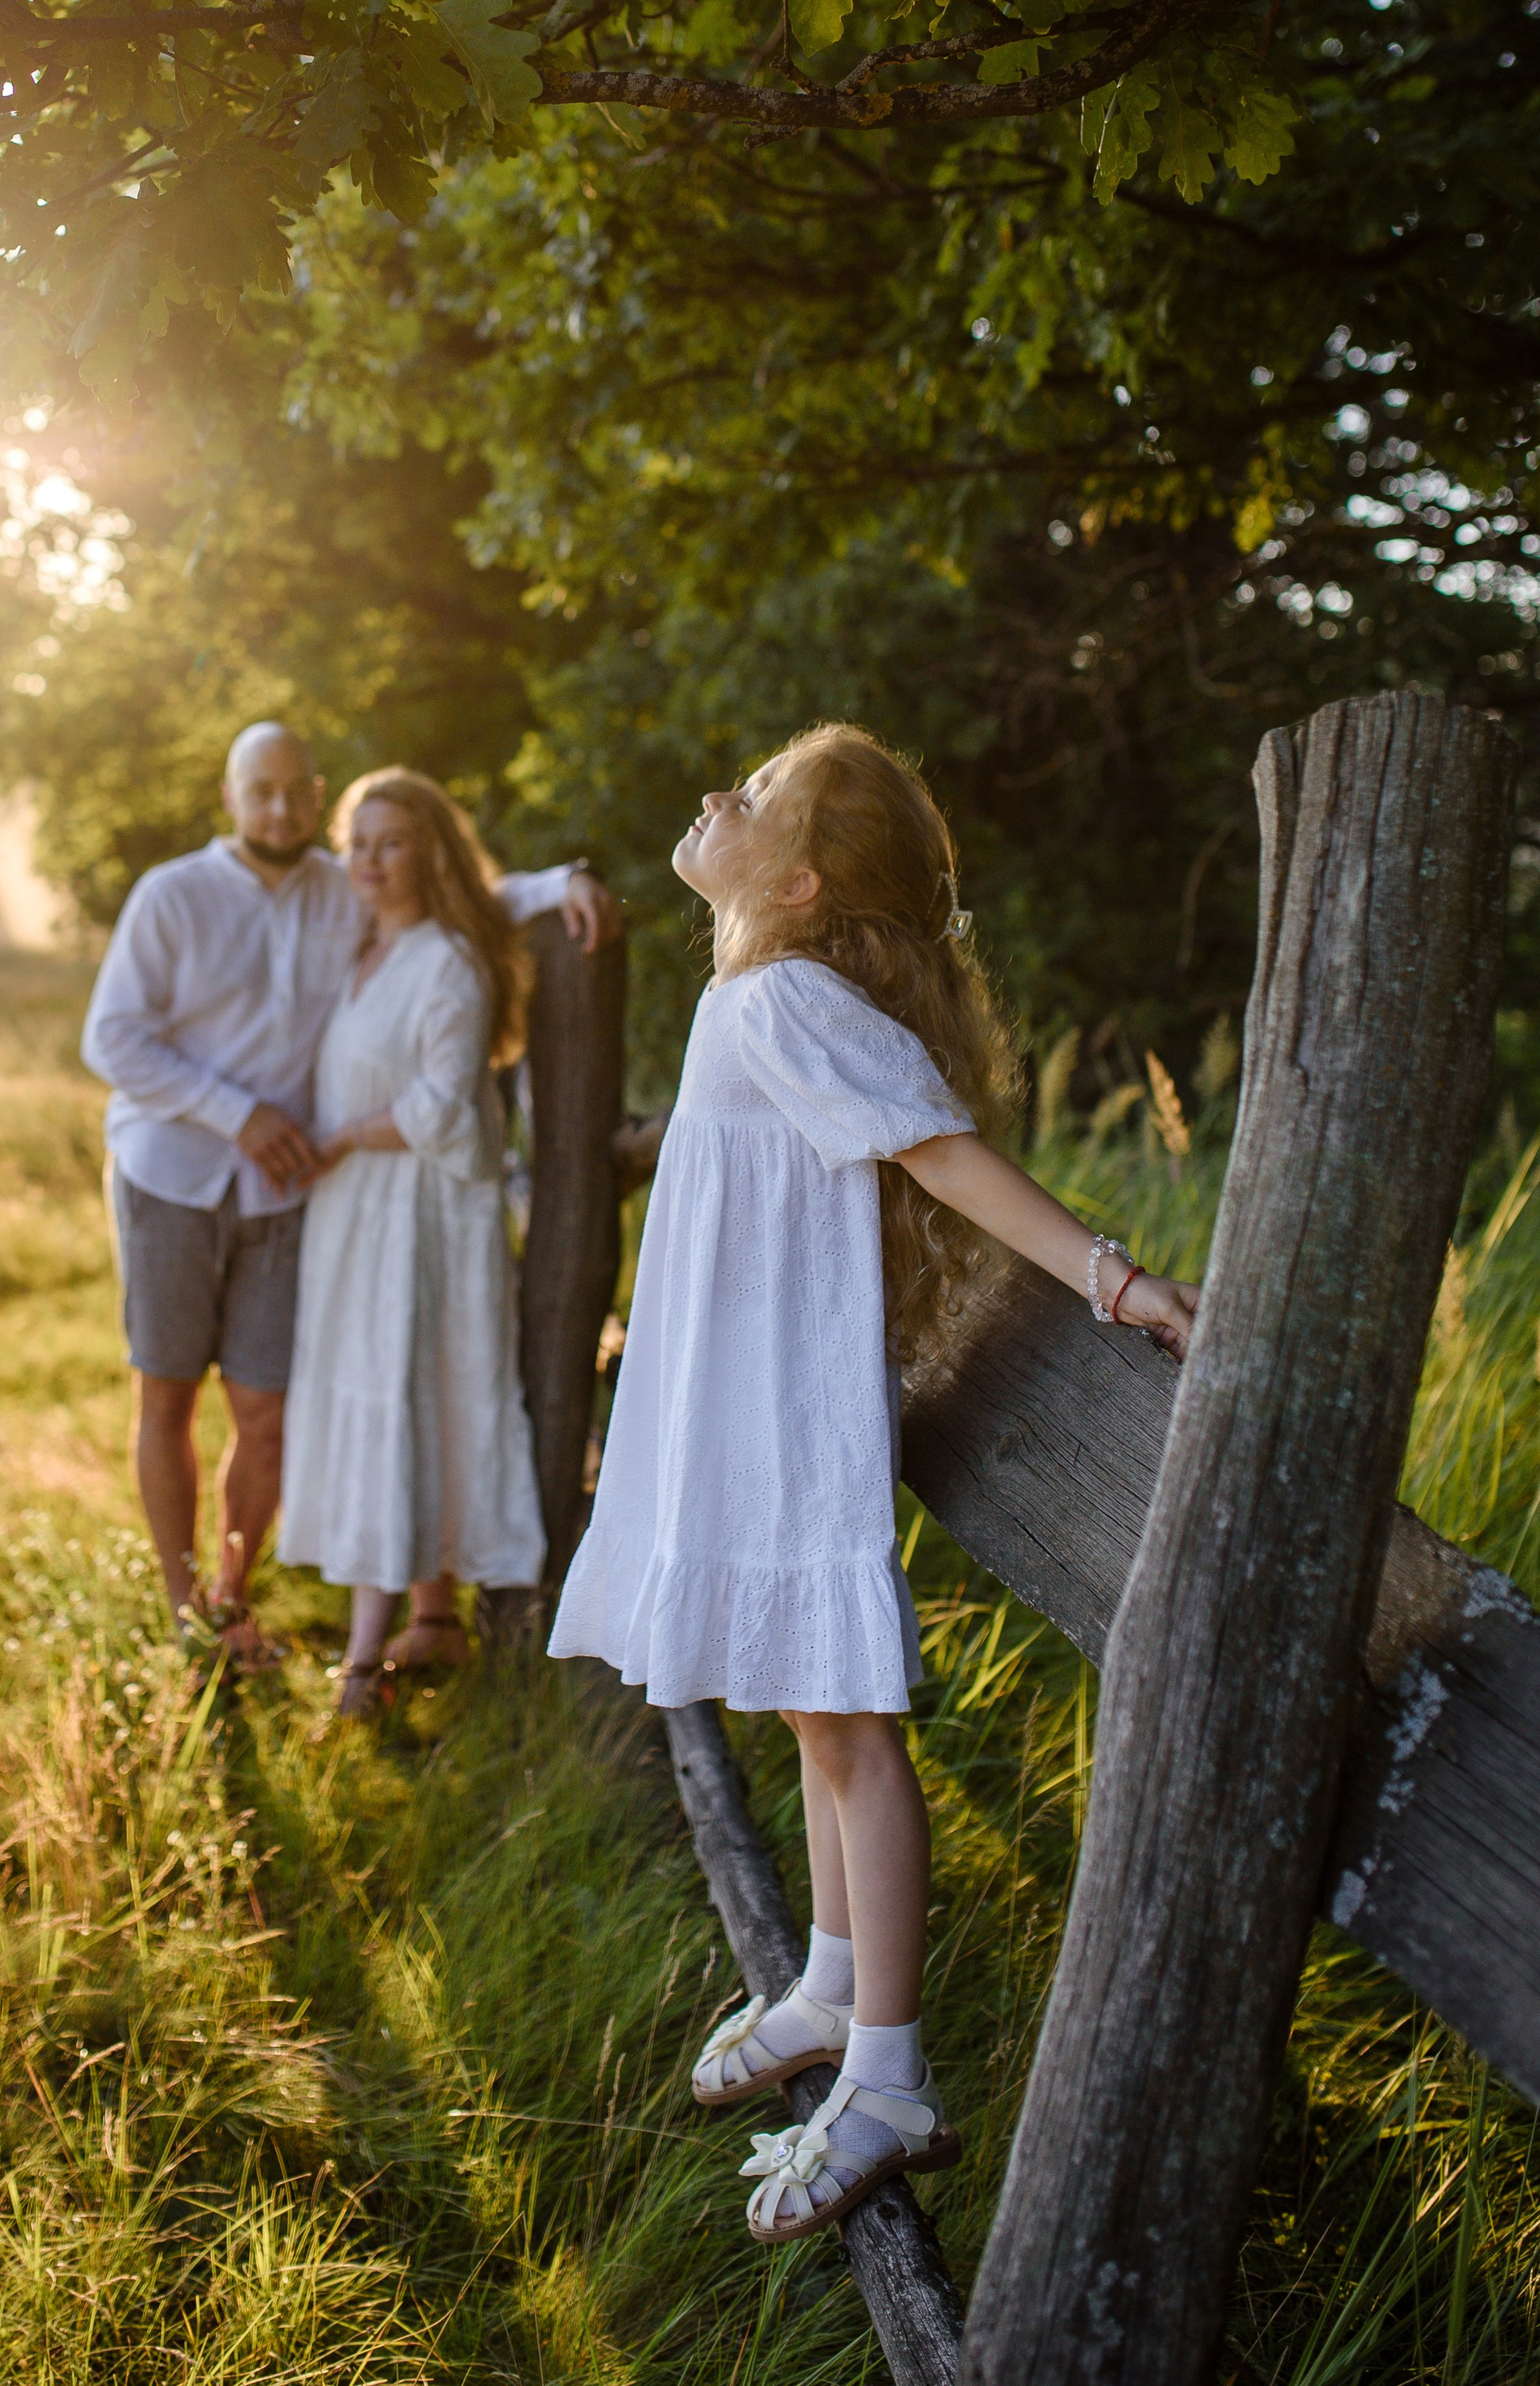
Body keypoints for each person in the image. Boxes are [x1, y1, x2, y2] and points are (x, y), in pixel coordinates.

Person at [549, 722, 1197, 2246]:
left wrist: (1119, 1277)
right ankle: (835, 1976)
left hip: (783, 1419)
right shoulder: (750, 993)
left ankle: (892, 2071)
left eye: (756, 795)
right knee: (804, 1706)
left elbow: (943, 1150)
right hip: (738, 1405)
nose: (718, 792)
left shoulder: (783, 996)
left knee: (848, 1726)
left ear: (801, 876)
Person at [81, 722, 616, 1660]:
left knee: (264, 1411)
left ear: (314, 792)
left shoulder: (343, 886)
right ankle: (186, 1615)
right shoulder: (172, 897)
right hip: (172, 1170)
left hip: (286, 1191)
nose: (280, 809)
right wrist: (235, 1113)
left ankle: (231, 1599)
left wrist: (561, 882)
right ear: (231, 796)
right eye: (261, 792)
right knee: (165, 1397)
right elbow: (112, 1040)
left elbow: (463, 890)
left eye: (296, 791)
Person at [275, 770, 547, 1720]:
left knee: (409, 1393)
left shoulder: (450, 962)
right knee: (389, 1394)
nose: (371, 862)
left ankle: (360, 1663)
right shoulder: (360, 948)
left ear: (430, 851)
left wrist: (342, 1137)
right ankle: (432, 1618)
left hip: (423, 1216)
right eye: (360, 843)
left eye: (393, 843)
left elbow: (441, 1106)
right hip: (357, 1216)